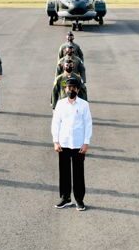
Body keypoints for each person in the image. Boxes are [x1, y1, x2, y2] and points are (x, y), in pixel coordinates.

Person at [51, 75, 92, 211]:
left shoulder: (84, 105)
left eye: (74, 88)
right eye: (69, 87)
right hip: (63, 143)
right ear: (65, 89)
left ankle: (79, 200)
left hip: (78, 144)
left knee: (78, 173)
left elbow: (88, 124)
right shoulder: (60, 104)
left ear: (78, 90)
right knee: (64, 172)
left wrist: (86, 143)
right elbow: (56, 123)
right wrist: (56, 141)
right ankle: (65, 198)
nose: (71, 90)